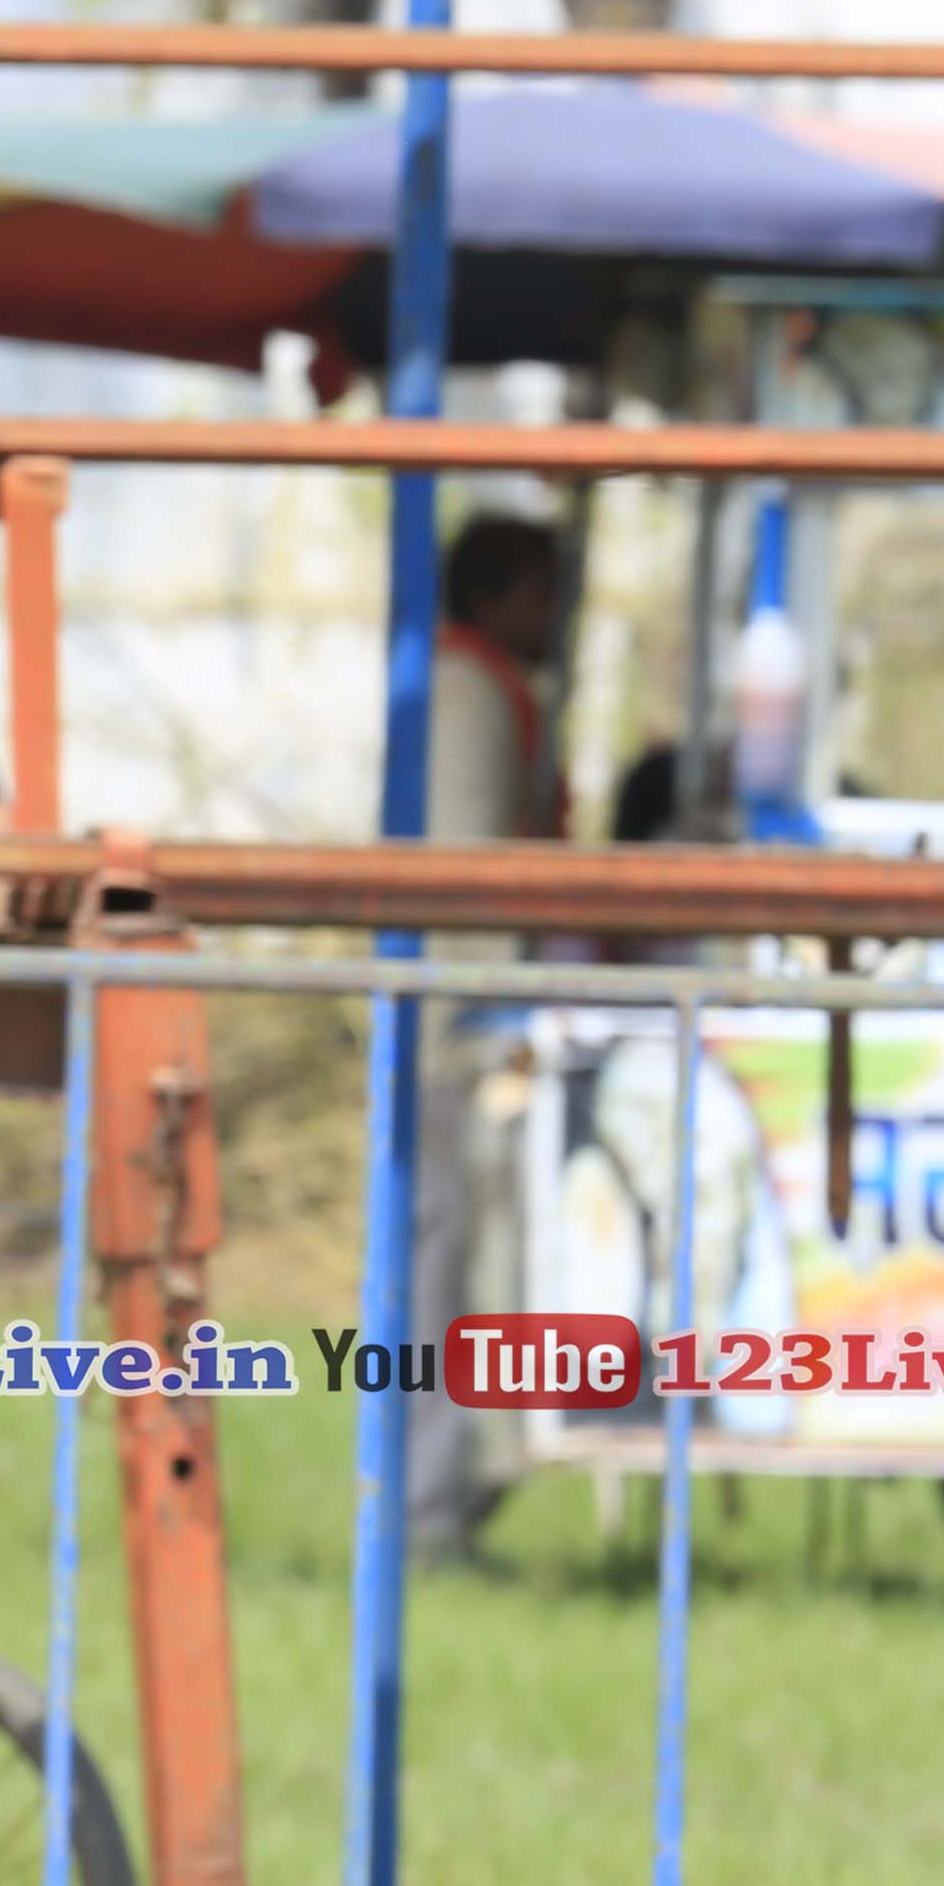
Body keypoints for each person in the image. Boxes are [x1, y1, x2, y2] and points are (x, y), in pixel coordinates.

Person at [410, 512, 574, 1555]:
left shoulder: (480, 688)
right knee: (447, 1256)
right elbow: (471, 865)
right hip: (457, 1029)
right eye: (544, 593)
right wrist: (497, 1007)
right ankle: (428, 1504)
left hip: (468, 1017)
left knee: (461, 1254)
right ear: (502, 596)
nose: (556, 617)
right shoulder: (467, 693)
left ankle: (446, 1489)